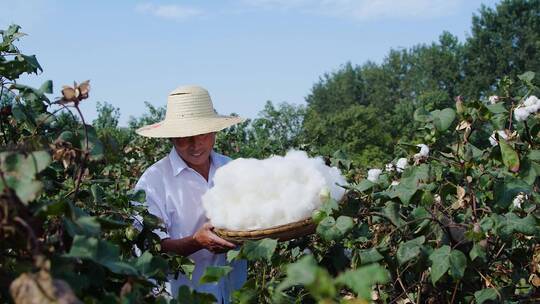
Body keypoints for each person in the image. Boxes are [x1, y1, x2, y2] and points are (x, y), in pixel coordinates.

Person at [134, 85, 247, 303]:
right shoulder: (152, 182)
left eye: (203, 134)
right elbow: (151, 250)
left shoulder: (232, 169)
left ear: (214, 131)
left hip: (235, 294)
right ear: (171, 138)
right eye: (185, 137)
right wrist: (196, 241)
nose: (196, 144)